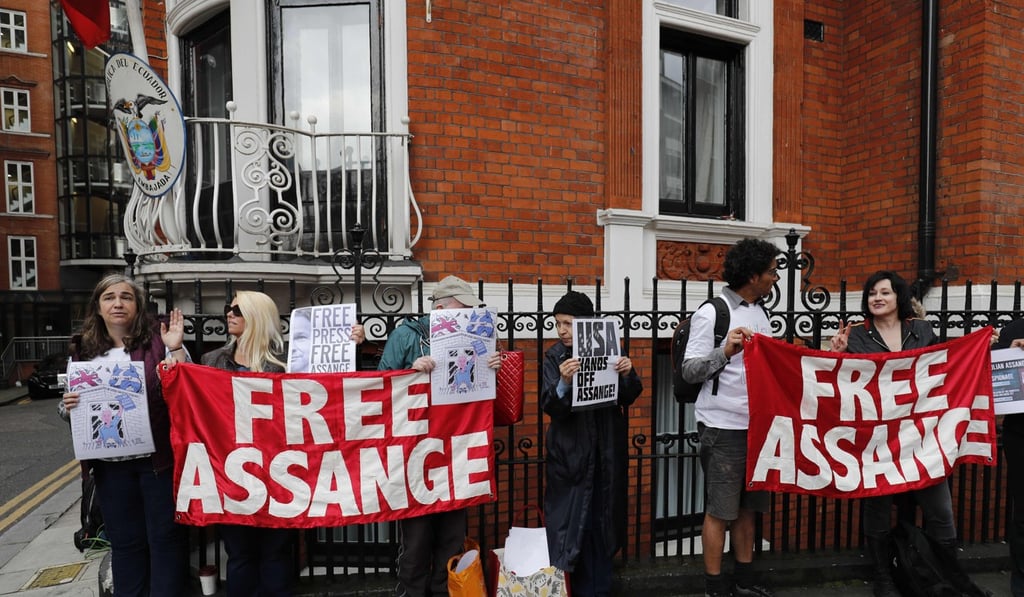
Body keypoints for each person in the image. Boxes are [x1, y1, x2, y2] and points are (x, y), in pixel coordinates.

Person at [830, 270, 990, 597]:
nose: (877, 298)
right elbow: (841, 384)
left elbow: (946, 367)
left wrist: (980, 345)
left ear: (898, 297)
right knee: (877, 508)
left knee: (940, 510)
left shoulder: (922, 330)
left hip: (921, 438)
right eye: (872, 293)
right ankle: (883, 579)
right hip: (877, 438)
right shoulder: (856, 335)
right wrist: (838, 355)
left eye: (885, 292)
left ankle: (948, 577)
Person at [60, 274, 190, 596]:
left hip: (156, 462)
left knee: (165, 539)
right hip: (109, 467)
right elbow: (69, 410)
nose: (118, 303)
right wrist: (68, 406)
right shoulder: (82, 351)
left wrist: (176, 349)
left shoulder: (159, 342)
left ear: (137, 305)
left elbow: (185, 390)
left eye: (126, 297)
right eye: (109, 297)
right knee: (125, 543)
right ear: (98, 307)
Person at [377, 275, 501, 597]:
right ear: (442, 310)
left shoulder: (477, 336)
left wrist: (491, 368)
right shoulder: (406, 336)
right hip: (417, 455)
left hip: (457, 453)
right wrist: (409, 373)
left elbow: (486, 398)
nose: (469, 315)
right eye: (463, 309)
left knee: (451, 540)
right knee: (416, 542)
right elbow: (380, 389)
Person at [679, 237, 779, 597]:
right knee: (720, 511)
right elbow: (690, 370)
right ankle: (715, 587)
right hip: (723, 427)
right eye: (771, 272)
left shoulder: (762, 313)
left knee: (749, 509)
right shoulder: (712, 312)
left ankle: (745, 582)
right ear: (752, 275)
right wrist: (724, 351)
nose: (775, 278)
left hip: (757, 426)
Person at [540, 290, 642, 596]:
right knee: (574, 528)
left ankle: (599, 589)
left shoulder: (610, 350)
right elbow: (550, 406)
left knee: (602, 524)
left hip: (605, 454)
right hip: (571, 458)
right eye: (558, 323)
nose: (561, 331)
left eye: (568, 324)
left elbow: (629, 395)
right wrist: (563, 383)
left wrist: (627, 373)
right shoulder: (555, 356)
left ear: (586, 325)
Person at [201, 291, 294, 597]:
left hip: (278, 472)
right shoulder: (211, 360)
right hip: (232, 472)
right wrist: (175, 351)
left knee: (275, 552)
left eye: (238, 310)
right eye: (228, 308)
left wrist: (350, 345)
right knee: (239, 553)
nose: (229, 314)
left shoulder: (288, 361)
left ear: (257, 316)